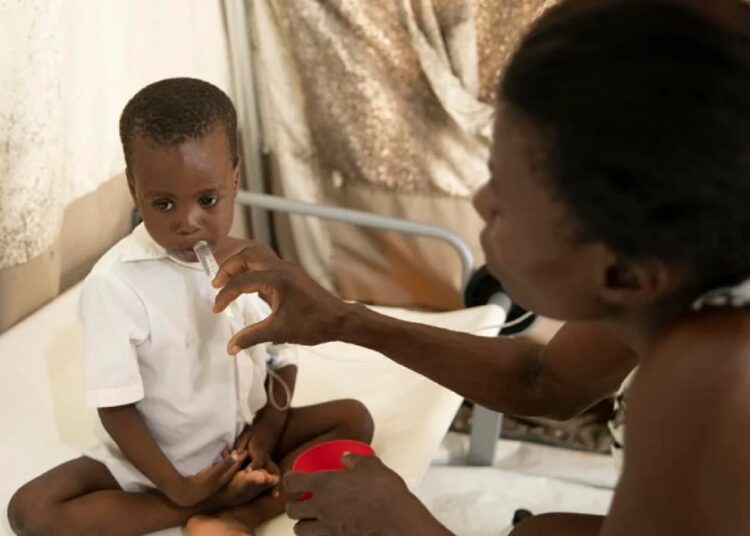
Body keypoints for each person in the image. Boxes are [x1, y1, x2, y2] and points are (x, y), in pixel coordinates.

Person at [208, 1, 750, 534]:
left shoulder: (707, 380)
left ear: (621, 272)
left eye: (508, 197)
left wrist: (403, 525)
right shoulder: (682, 274)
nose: (479, 202)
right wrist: (344, 320)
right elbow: (545, 382)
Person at [7, 78, 373, 536]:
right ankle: (206, 506)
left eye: (207, 200)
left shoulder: (256, 264)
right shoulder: (115, 285)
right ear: (134, 188)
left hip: (243, 443)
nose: (187, 223)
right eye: (163, 204)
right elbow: (115, 409)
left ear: (235, 178)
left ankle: (241, 512)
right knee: (31, 510)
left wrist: (265, 434)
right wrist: (178, 487)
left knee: (353, 419)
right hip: (155, 468)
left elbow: (283, 358)